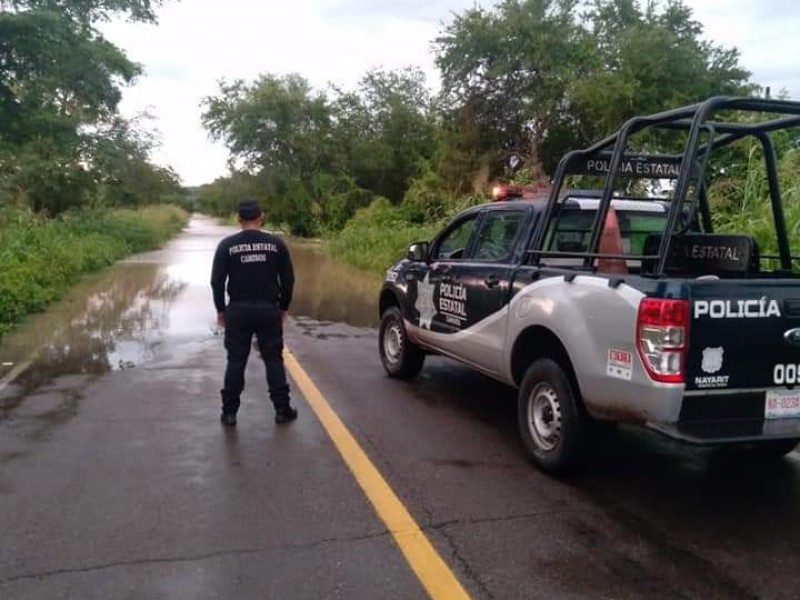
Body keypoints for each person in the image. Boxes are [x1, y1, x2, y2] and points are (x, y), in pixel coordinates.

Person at [210, 198, 297, 426]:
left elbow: (216, 281)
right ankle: (282, 409)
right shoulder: (275, 244)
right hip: (268, 308)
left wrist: (221, 310)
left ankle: (229, 413)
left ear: (239, 220)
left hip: (237, 310)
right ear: (261, 217)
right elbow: (288, 280)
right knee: (273, 359)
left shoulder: (226, 246)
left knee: (236, 360)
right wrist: (283, 307)